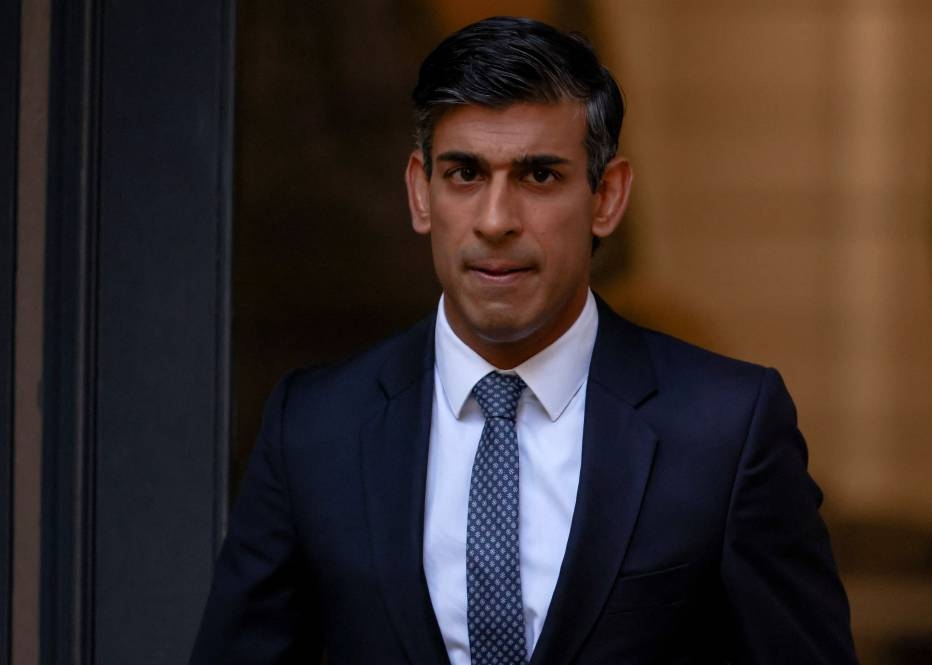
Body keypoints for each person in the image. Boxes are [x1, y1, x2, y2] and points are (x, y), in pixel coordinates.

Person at [190, 16, 857, 665]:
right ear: (420, 194)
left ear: (607, 197)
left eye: (539, 175)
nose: (496, 219)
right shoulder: (314, 428)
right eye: (465, 174)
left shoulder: (726, 430)